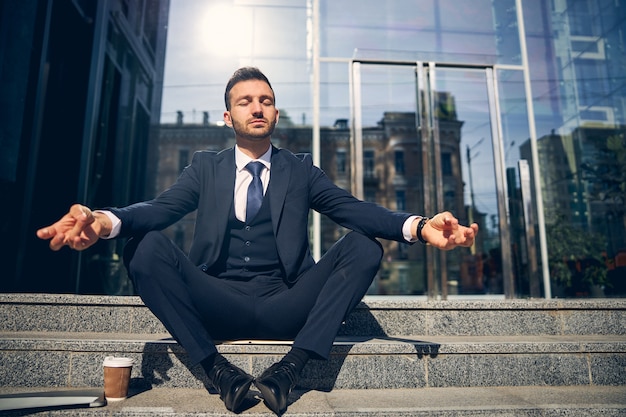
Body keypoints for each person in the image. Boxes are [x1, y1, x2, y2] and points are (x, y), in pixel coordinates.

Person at [37, 67, 478, 415]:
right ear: (228, 117)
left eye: (265, 100)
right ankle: (217, 371)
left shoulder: (300, 169)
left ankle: (291, 369)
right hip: (217, 302)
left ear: (276, 114)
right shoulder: (204, 168)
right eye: (245, 101)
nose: (257, 107)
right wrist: (100, 220)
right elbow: (158, 209)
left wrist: (421, 226)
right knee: (143, 244)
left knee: (364, 244)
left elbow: (357, 211)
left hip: (286, 301)